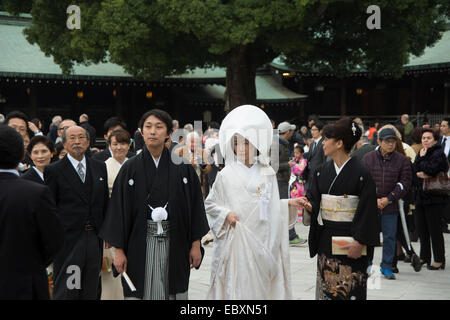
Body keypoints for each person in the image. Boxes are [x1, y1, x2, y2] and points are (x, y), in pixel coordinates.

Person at [99, 109, 209, 300]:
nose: (152, 132)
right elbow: (118, 210)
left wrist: (196, 244)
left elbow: (195, 208)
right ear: (141, 132)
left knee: (174, 290)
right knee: (139, 290)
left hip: (176, 241)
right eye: (148, 127)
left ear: (168, 133)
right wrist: (118, 250)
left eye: (159, 127)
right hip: (138, 243)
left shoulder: (183, 168)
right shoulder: (130, 168)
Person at [205, 104, 296, 299]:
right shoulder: (226, 174)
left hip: (263, 237)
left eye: (247, 143)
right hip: (236, 239)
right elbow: (211, 204)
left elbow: (272, 206)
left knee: (261, 290)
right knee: (238, 288)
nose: (241, 148)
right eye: (237, 143)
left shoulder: (268, 172)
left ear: (256, 145)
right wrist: (225, 214)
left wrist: (286, 204)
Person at [298, 118, 380, 300]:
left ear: (340, 143)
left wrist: (360, 241)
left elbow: (369, 210)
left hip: (352, 239)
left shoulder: (362, 173)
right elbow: (314, 198)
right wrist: (310, 206)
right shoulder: (321, 171)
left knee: (350, 290)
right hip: (327, 238)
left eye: (327, 139)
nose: (323, 143)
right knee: (327, 290)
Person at [44, 125, 109, 300]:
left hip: (94, 237)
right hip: (68, 240)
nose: (77, 142)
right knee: (69, 287)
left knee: (91, 286)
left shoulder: (99, 167)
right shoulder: (54, 170)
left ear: (88, 142)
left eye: (81, 137)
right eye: (72, 138)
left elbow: (104, 203)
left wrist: (106, 233)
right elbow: (50, 209)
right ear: (64, 143)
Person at [0, 125, 64, 299]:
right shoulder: (36, 193)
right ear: (23, 154)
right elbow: (54, 241)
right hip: (26, 283)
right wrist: (32, 262)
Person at [362, 128, 412, 279]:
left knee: (390, 236)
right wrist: (374, 199)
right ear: (379, 141)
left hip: (391, 204)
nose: (390, 144)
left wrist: (389, 198)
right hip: (372, 204)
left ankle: (387, 266)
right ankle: (367, 264)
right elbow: (363, 181)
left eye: (393, 141)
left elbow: (405, 182)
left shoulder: (402, 160)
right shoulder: (368, 158)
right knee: (369, 236)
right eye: (387, 141)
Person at [101, 129, 131, 300]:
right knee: (110, 272)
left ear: (129, 145)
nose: (119, 147)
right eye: (115, 144)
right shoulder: (103, 167)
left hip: (132, 222)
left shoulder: (134, 164)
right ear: (109, 146)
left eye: (123, 143)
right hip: (112, 222)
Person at [413, 128, 448, 270]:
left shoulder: (438, 152)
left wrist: (424, 169)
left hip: (435, 196)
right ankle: (424, 256)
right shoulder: (421, 152)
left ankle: (439, 259)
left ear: (435, 139)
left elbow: (432, 169)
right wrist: (422, 165)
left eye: (428, 138)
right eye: (423, 138)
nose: (425, 140)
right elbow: (415, 170)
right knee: (422, 229)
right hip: (421, 196)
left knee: (435, 229)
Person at [277, 121, 304, 245]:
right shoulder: (277, 145)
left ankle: (289, 234)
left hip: (281, 180)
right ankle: (291, 235)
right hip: (279, 181)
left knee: (283, 207)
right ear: (287, 132)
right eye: (291, 131)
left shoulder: (281, 144)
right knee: (285, 207)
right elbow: (272, 165)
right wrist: (287, 165)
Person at [289, 145, 308, 223]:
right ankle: (294, 215)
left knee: (299, 197)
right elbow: (290, 167)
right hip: (293, 181)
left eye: (297, 153)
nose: (295, 155)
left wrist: (293, 166)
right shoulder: (294, 160)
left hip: (299, 182)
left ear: (302, 153)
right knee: (293, 196)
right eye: (294, 153)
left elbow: (300, 169)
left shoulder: (303, 161)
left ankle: (300, 216)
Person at [439, 118, 450, 233]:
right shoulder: (441, 140)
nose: (441, 128)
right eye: (441, 125)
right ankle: (442, 223)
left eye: (444, 126)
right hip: (441, 175)